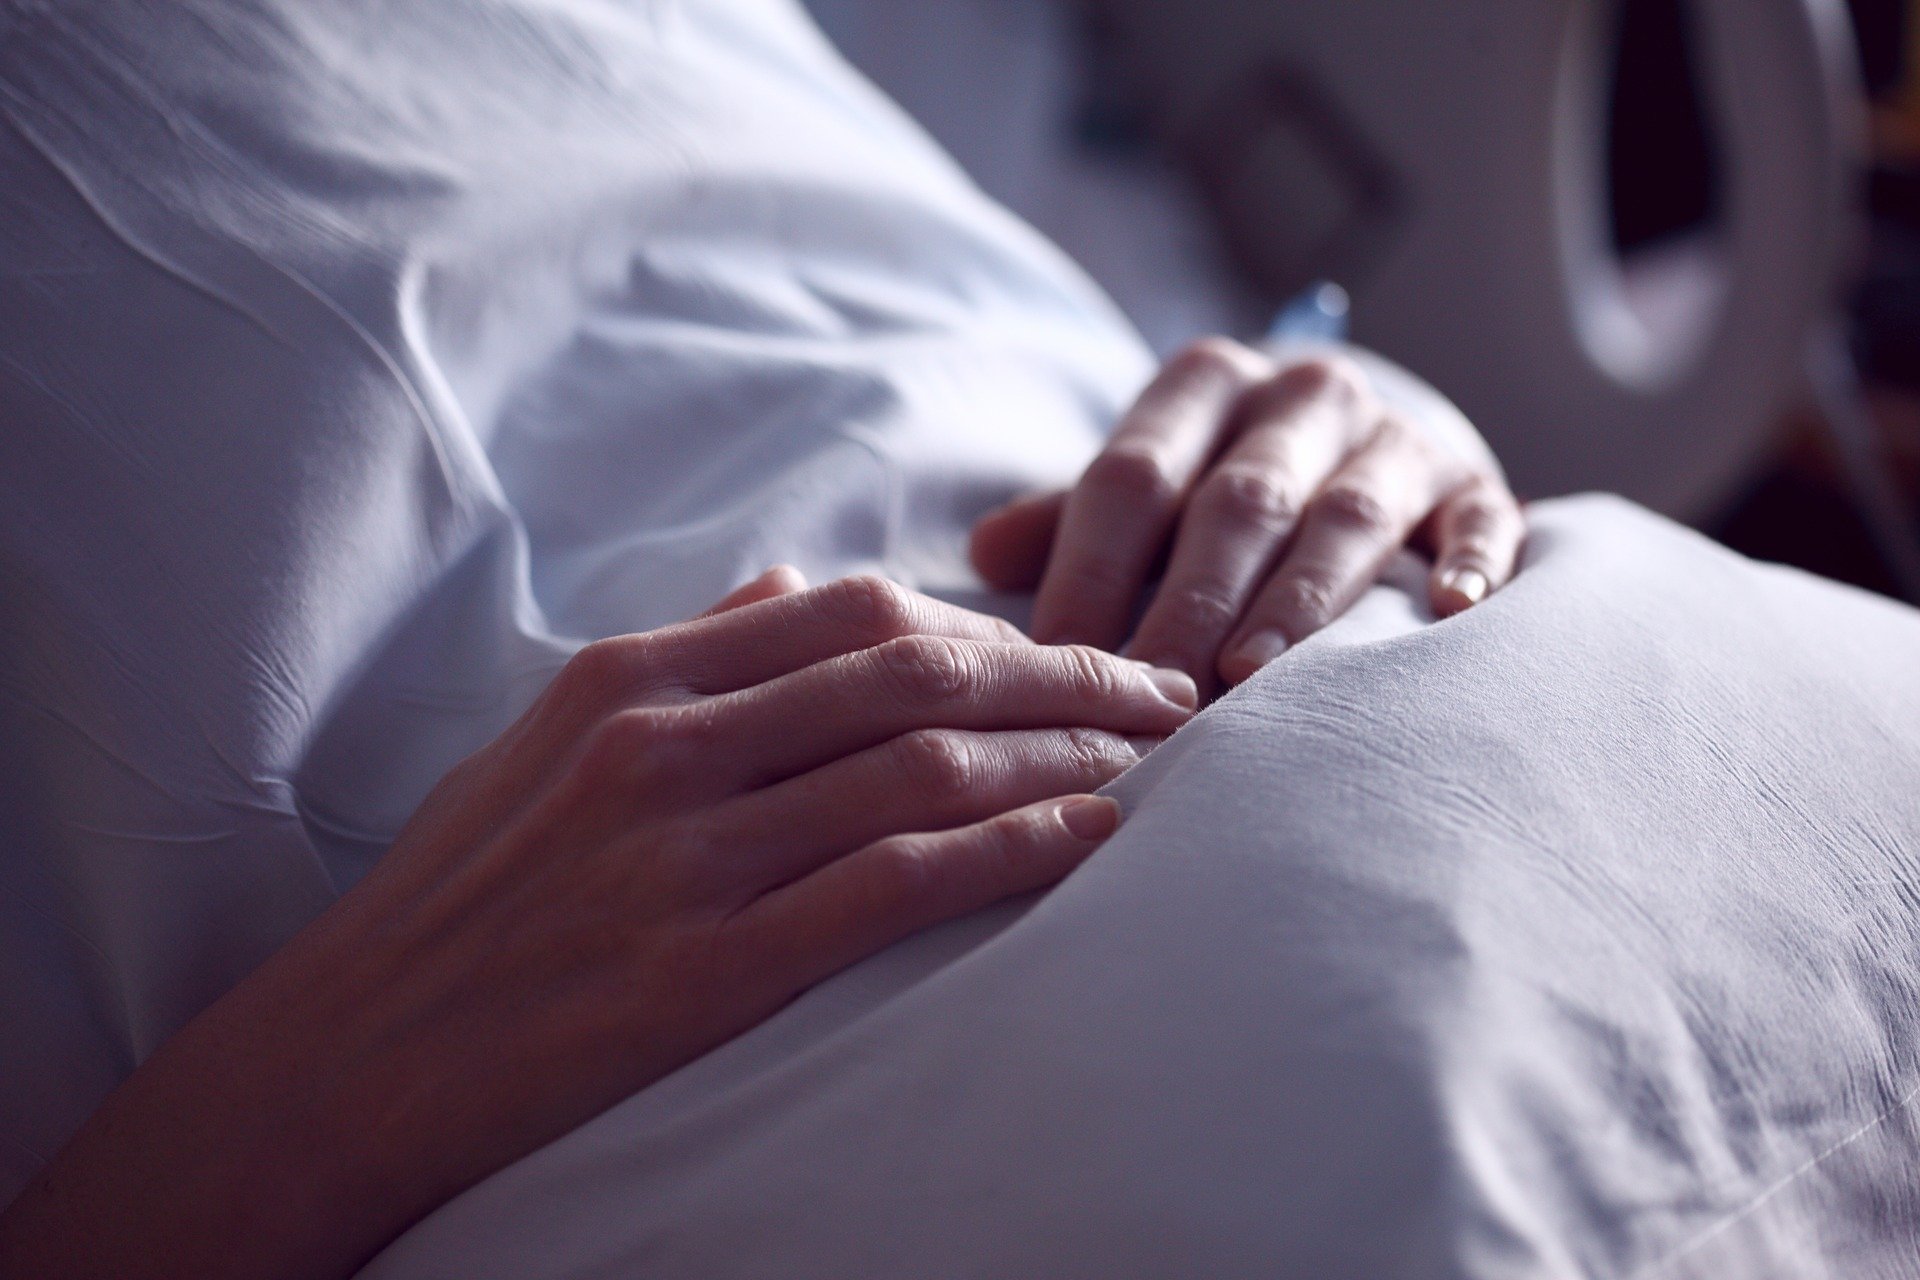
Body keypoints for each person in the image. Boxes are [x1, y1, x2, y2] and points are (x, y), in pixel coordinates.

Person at [0, 1, 1518, 1274]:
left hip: (1498, 681)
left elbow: (961, 268)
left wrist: (1341, 415)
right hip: (892, 1109)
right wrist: (293, 1115)